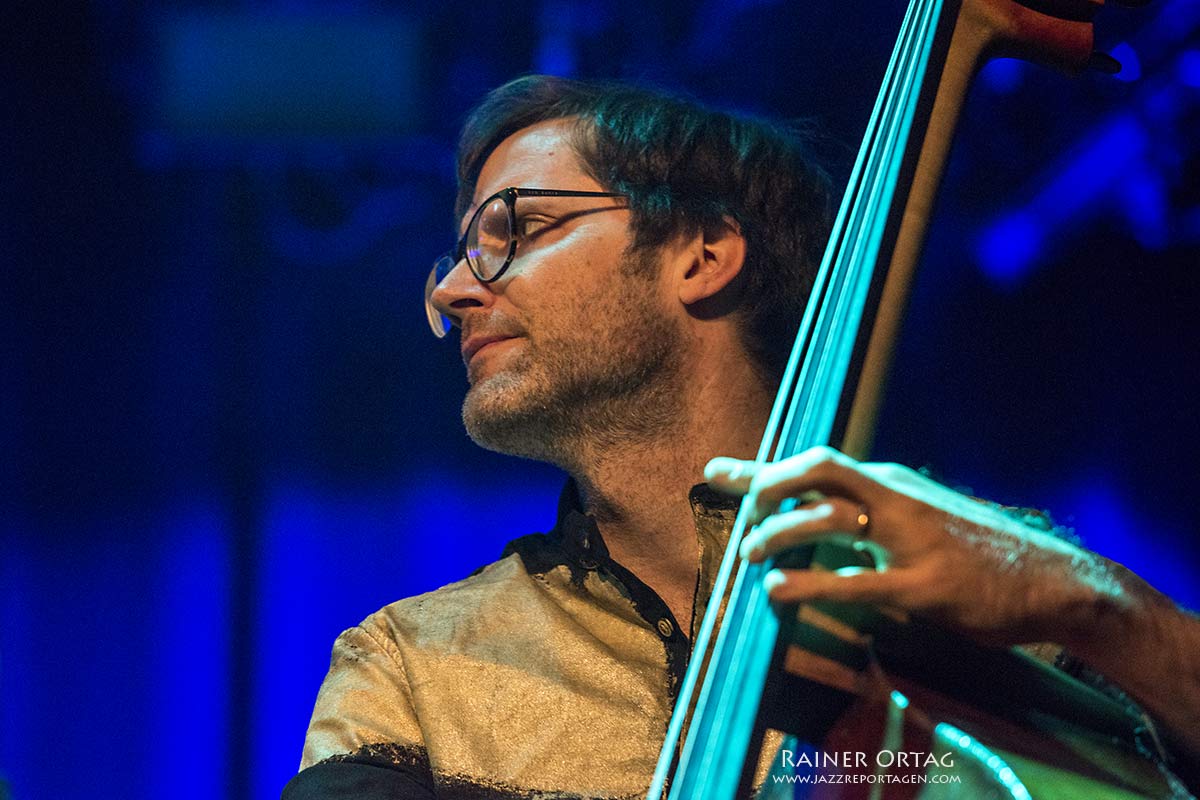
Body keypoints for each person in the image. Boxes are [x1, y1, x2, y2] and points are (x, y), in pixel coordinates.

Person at [284, 75, 1200, 799]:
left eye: (515, 229)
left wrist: (1092, 605)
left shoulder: (997, 587)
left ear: (702, 255)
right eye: (459, 255)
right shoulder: (412, 667)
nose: (451, 293)